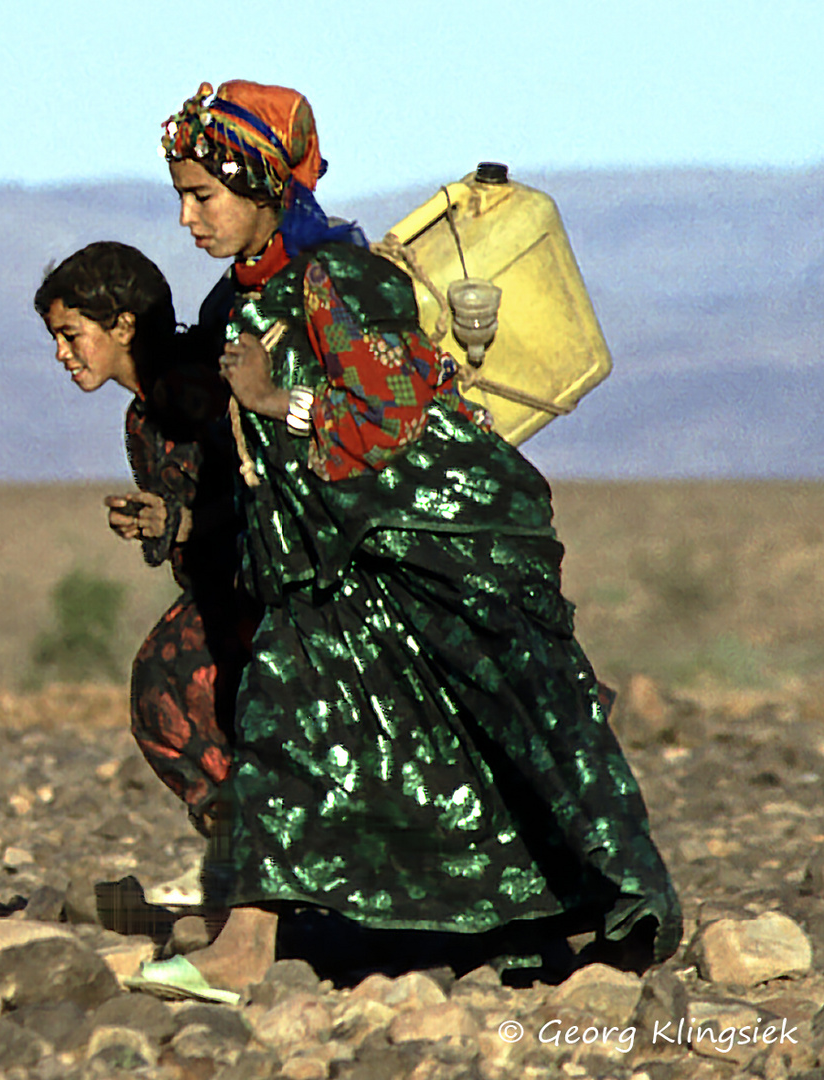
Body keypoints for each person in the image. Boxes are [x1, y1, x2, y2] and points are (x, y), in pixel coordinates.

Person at [131, 80, 681, 993]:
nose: (189, 217)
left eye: (204, 194)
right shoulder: (239, 303)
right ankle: (248, 946)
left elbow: (391, 420)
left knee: (510, 726)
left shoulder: (344, 284)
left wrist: (277, 400)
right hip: (329, 572)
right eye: (181, 197)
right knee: (290, 724)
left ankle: (600, 905)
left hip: (436, 550)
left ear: (266, 187)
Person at [33, 242, 252, 846]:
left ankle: (259, 862)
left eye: (71, 335)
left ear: (123, 324)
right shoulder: (145, 416)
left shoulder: (192, 391)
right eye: (56, 337)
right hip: (228, 592)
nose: (61, 353)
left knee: (165, 683)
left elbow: (255, 490)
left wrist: (179, 522)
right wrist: (160, 524)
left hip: (265, 590)